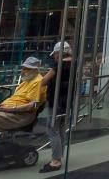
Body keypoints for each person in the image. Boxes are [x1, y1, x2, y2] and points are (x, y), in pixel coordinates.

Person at [39, 41, 74, 173]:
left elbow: (44, 81)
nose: (54, 57)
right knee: (61, 129)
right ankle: (59, 157)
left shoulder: (59, 65)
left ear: (59, 53)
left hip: (56, 102)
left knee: (52, 130)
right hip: (67, 102)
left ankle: (56, 160)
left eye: (55, 54)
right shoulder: (73, 63)